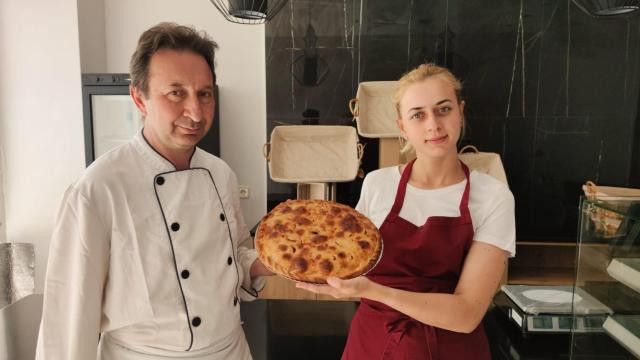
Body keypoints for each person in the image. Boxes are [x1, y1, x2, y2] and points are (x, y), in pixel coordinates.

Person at [36, 22, 272, 360]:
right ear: (139, 97)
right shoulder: (97, 190)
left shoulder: (221, 174)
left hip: (230, 351)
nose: (195, 112)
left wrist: (265, 263)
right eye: (176, 93)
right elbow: (67, 322)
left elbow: (232, 256)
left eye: (204, 94)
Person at [297, 63, 515, 359]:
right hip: (371, 344)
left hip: (450, 350)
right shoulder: (378, 184)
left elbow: (466, 315)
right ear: (402, 127)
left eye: (443, 109)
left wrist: (373, 291)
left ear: (461, 112)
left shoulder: (493, 197)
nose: (433, 125)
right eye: (418, 115)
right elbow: (348, 262)